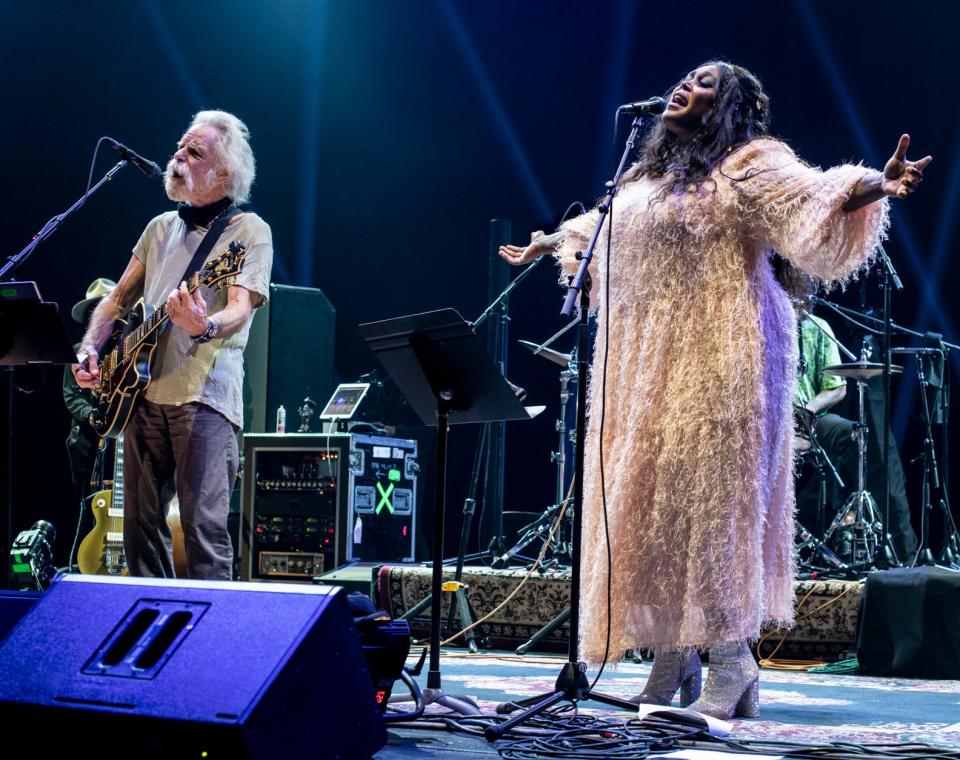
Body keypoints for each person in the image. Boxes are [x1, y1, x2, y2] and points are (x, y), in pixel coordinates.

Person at [499, 61, 930, 719]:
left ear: (730, 105)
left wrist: (877, 182)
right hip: (648, 372)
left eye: (706, 82)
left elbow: (811, 195)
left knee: (714, 512)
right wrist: (547, 244)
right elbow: (600, 231)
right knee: (658, 514)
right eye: (687, 76)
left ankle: (732, 662)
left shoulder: (747, 164)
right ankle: (672, 665)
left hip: (725, 358)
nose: (687, 85)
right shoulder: (645, 179)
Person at [72, 111, 273, 580]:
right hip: (140, 395)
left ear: (224, 173)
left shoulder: (248, 232)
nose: (178, 157)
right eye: (180, 147)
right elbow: (117, 299)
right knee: (141, 531)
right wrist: (92, 350)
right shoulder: (160, 227)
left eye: (194, 152)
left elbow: (241, 306)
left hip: (205, 398)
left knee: (204, 531)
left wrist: (203, 325)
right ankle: (150, 635)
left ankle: (210, 643)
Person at [791, 306, 917, 561]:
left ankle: (845, 520)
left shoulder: (818, 327)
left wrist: (809, 409)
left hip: (809, 420)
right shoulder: (756, 324)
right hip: (766, 425)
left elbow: (837, 388)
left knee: (853, 435)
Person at [64, 278, 116, 514]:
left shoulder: (125, 349)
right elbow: (72, 396)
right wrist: (92, 417)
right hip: (86, 443)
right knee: (87, 508)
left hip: (120, 442)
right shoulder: (78, 353)